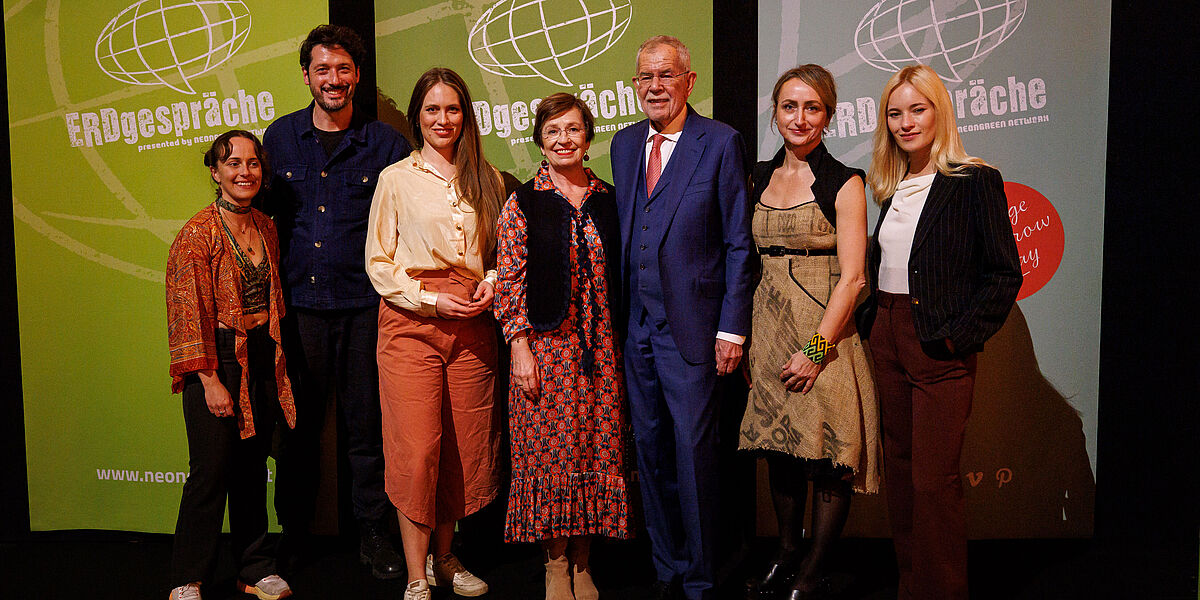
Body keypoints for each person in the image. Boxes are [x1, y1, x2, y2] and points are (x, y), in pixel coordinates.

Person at [861, 64, 1021, 600]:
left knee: (934, 483)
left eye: (917, 109)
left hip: (937, 342)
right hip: (886, 334)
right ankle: (912, 587)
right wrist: (871, 326)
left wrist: (957, 336)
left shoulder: (974, 179)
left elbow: (1003, 274)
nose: (906, 122)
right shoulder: (892, 184)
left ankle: (944, 591)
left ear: (939, 111)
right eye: (895, 112)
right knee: (902, 478)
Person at [609, 35, 755, 600]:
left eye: (666, 75)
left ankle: (701, 579)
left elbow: (738, 243)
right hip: (636, 329)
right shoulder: (623, 146)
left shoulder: (719, 142)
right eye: (645, 77)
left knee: (695, 460)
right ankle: (666, 568)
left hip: (695, 332)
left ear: (689, 81)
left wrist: (731, 328)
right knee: (648, 450)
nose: (654, 86)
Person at [261, 24, 409, 579]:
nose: (333, 79)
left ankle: (374, 533)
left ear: (357, 75)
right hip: (298, 311)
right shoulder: (278, 140)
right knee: (296, 431)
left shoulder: (387, 145)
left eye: (343, 69)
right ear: (306, 76)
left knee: (367, 429)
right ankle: (293, 536)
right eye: (322, 69)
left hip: (367, 309)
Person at [739, 65, 881, 600]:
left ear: (829, 114)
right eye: (789, 107)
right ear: (775, 114)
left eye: (812, 107)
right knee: (781, 451)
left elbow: (855, 277)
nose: (800, 118)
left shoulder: (845, 182)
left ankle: (814, 569)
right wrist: (751, 340)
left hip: (826, 335)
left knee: (826, 458)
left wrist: (816, 351)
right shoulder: (754, 175)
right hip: (768, 328)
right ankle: (787, 552)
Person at [366, 67, 505, 600]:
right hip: (411, 325)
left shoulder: (486, 178)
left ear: (465, 115)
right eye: (432, 109)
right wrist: (430, 299)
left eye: (452, 109)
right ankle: (416, 573)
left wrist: (491, 283)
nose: (443, 119)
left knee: (462, 449)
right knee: (417, 449)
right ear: (417, 117)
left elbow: (499, 252)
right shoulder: (396, 178)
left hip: (472, 326)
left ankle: (447, 559)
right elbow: (379, 263)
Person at [494, 93, 631, 600]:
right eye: (553, 131)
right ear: (540, 141)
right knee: (550, 457)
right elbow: (508, 280)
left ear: (588, 138)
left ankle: (583, 562)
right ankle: (554, 563)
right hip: (546, 351)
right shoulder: (523, 201)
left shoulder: (611, 199)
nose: (563, 139)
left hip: (602, 351)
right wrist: (520, 347)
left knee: (597, 450)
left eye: (573, 129)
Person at [165, 130, 296, 600]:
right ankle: (188, 577)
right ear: (215, 171)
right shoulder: (197, 234)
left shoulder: (265, 225)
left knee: (250, 467)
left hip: (260, 355)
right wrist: (209, 379)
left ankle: (254, 569)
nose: (245, 172)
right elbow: (185, 312)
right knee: (210, 471)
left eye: (253, 163)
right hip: (215, 359)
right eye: (233, 164)